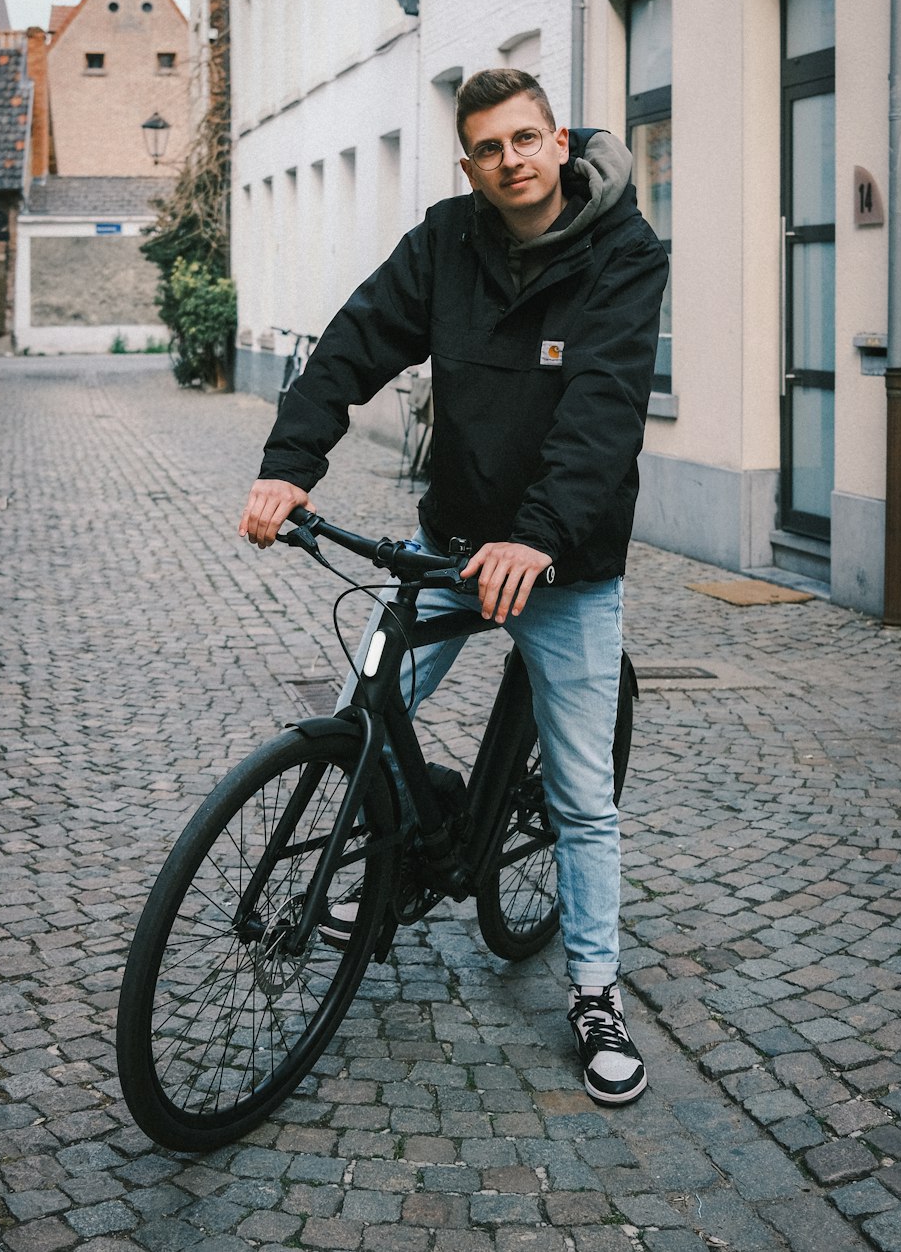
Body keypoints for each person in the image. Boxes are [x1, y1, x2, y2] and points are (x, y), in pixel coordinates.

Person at [240, 68, 668, 1106]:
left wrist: (539, 539)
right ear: (469, 162)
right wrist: (291, 461)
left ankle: (595, 990)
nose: (511, 161)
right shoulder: (446, 239)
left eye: (527, 139)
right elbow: (354, 343)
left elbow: (602, 409)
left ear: (558, 142)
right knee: (362, 711)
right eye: (489, 148)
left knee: (577, 795)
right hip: (452, 543)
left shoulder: (624, 251)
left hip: (560, 564)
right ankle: (396, 848)